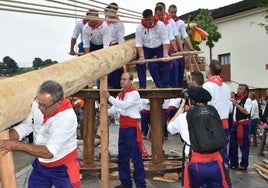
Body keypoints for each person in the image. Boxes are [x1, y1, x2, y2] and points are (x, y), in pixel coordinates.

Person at [0, 80, 80, 188]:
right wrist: (5, 140)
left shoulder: (66, 118)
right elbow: (26, 126)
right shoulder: (38, 105)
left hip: (63, 167)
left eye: (44, 105)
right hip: (41, 165)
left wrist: (15, 145)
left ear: (58, 103)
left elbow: (49, 152)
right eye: (38, 102)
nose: (39, 108)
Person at [168, 87, 231, 188]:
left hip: (194, 162)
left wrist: (181, 107)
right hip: (216, 162)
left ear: (190, 100)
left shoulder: (184, 117)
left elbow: (170, 128)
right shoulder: (213, 113)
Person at [101, 72, 147, 188]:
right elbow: (113, 109)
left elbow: (124, 105)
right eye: (121, 79)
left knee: (136, 158)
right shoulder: (121, 94)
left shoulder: (134, 94)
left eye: (125, 79)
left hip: (131, 129)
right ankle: (126, 183)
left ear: (131, 81)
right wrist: (102, 112)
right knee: (122, 158)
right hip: (123, 129)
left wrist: (108, 97)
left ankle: (141, 184)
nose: (122, 81)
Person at [202, 59, 231, 168]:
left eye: (207, 67)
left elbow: (205, 106)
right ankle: (226, 180)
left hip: (212, 124)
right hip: (224, 123)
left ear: (209, 70)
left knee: (211, 154)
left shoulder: (207, 86)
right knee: (223, 154)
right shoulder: (226, 86)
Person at [135, 9, 170, 88]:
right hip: (147, 48)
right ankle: (142, 86)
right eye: (145, 20)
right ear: (143, 19)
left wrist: (165, 54)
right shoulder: (139, 28)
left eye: (149, 19)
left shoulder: (160, 25)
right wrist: (141, 57)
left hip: (160, 47)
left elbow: (166, 40)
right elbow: (139, 43)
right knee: (139, 63)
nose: (147, 22)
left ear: (153, 17)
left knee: (166, 61)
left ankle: (164, 85)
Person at [229, 84, 252, 170]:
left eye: (241, 89)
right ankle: (233, 163)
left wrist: (237, 105)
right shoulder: (237, 99)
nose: (238, 90)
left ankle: (244, 164)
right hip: (235, 125)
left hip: (243, 125)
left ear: (245, 91)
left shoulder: (248, 100)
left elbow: (246, 112)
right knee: (232, 145)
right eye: (238, 88)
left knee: (244, 146)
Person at [105, 2, 126, 89]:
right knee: (106, 67)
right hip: (105, 47)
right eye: (111, 11)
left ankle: (116, 88)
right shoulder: (103, 22)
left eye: (114, 11)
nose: (112, 13)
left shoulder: (119, 23)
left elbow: (120, 38)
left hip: (115, 46)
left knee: (117, 67)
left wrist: (121, 50)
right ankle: (106, 86)